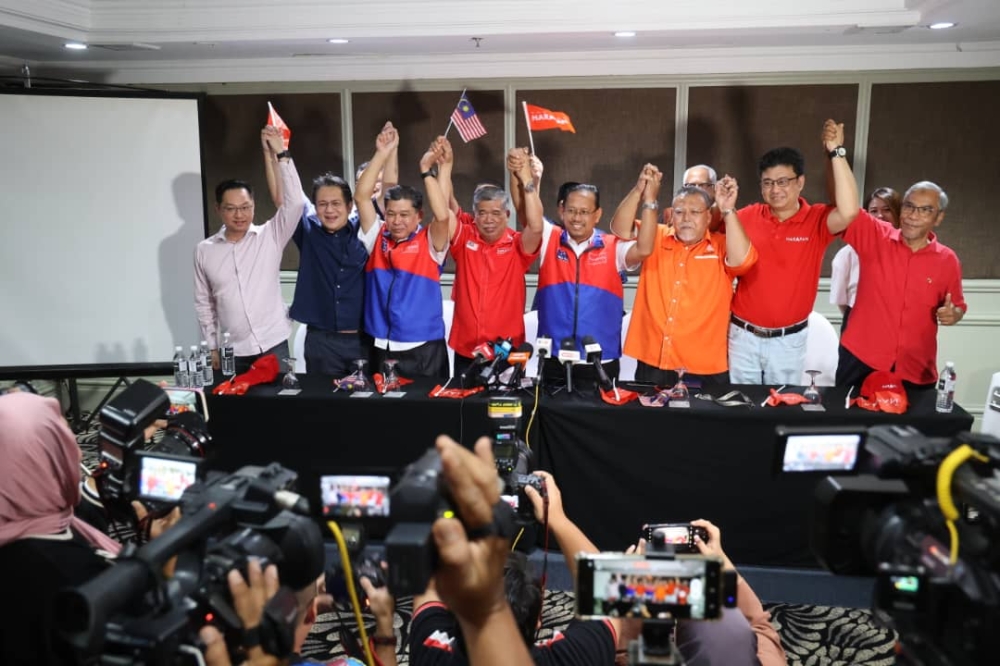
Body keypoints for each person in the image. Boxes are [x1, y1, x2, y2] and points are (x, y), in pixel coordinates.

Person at [728, 119, 860, 385]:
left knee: (782, 409)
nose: (775, 190)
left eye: (783, 181)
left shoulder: (816, 220)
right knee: (741, 413)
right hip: (742, 336)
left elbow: (849, 211)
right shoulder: (746, 216)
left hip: (789, 340)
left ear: (800, 182)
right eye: (767, 183)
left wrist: (836, 151)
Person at [263, 122, 397, 376]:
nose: (329, 210)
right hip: (321, 340)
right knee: (324, 409)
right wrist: (274, 154)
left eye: (336, 203)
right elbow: (284, 198)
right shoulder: (309, 228)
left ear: (350, 207)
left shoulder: (366, 229)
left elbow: (387, 190)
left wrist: (387, 151)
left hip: (362, 340)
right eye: (322, 204)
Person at [0, 391, 122, 665]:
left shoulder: (37, 530)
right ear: (42, 461)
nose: (78, 452)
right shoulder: (76, 577)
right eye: (63, 442)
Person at [621, 173, 757, 387]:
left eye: (695, 212)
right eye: (679, 212)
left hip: (705, 363)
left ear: (708, 217)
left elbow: (743, 262)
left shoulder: (722, 244)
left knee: (707, 421)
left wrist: (728, 209)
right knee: (648, 420)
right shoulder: (655, 236)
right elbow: (620, 229)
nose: (686, 218)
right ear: (671, 216)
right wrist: (641, 192)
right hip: (655, 357)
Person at [194, 126, 306, 375]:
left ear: (253, 206)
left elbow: (296, 203)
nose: (240, 215)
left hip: (273, 342)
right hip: (231, 349)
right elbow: (204, 303)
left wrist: (282, 154)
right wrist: (211, 346)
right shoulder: (204, 250)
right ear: (218, 209)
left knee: (278, 410)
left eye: (245, 207)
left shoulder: (270, 235)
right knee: (237, 411)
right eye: (231, 208)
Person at [836, 181, 966, 388]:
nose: (914, 216)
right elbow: (844, 207)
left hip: (916, 368)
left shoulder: (948, 260)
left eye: (925, 210)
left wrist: (954, 314)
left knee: (910, 422)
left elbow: (958, 306)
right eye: (909, 206)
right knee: (850, 421)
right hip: (860, 360)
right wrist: (835, 155)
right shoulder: (876, 236)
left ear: (938, 217)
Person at [434, 143, 544, 379]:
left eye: (495, 213)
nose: (488, 219)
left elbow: (536, 225)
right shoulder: (464, 238)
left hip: (506, 349)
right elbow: (443, 211)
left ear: (507, 215)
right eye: (482, 213)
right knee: (467, 411)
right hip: (467, 347)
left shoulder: (517, 245)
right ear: (474, 216)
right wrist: (446, 167)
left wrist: (527, 179)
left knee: (507, 414)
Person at [535, 173, 656, 386]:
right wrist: (529, 180)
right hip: (554, 357)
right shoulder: (549, 239)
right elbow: (527, 213)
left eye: (584, 212)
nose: (576, 218)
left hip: (600, 361)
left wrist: (646, 199)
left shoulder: (612, 246)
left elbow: (644, 248)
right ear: (562, 210)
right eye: (571, 211)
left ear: (597, 214)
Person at [356, 135, 453, 379]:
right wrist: (381, 153)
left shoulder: (431, 241)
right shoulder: (377, 235)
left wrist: (426, 171)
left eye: (404, 215)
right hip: (379, 342)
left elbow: (443, 217)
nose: (396, 221)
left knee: (426, 416)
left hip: (423, 346)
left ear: (419, 216)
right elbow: (361, 197)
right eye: (391, 214)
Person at [829, 186, 902, 333]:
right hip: (858, 324)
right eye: (874, 211)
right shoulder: (847, 254)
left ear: (899, 214)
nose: (880, 216)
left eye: (887, 210)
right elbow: (842, 301)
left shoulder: (910, 251)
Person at [610, 163, 722, 236]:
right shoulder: (669, 216)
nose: (697, 190)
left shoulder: (726, 219)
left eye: (703, 185)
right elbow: (621, 230)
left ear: (715, 188)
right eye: (690, 185)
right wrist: (638, 191)